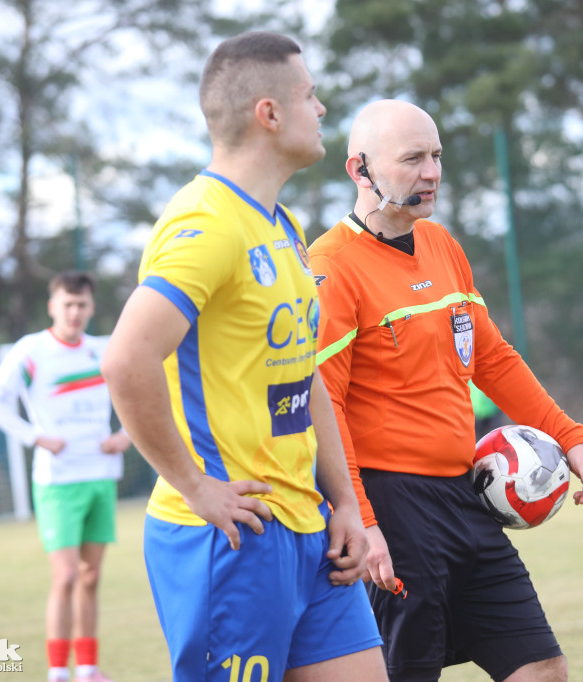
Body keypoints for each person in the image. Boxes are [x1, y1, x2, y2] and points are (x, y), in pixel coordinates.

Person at [99, 31, 387, 682]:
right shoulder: (206, 224)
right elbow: (126, 360)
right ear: (269, 113)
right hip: (231, 537)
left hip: (311, 532)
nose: (321, 109)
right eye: (309, 95)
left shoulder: (279, 225)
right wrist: (196, 486)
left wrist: (343, 502)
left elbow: (303, 374)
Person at [308, 99, 583, 682]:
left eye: (437, 156)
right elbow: (328, 409)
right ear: (360, 170)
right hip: (390, 505)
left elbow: (492, 359)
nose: (432, 172)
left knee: (541, 668)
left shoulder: (442, 245)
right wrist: (363, 520)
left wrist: (570, 439)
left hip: (463, 497)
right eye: (413, 158)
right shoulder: (332, 267)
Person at [0, 270, 129, 682]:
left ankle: (89, 668)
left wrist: (126, 435)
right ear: (53, 306)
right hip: (58, 481)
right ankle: (58, 671)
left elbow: (142, 389)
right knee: (64, 577)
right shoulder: (32, 352)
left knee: (91, 576)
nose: (75, 312)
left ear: (92, 307)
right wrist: (35, 437)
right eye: (68, 304)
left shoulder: (103, 351)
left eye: (82, 305)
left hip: (100, 475)